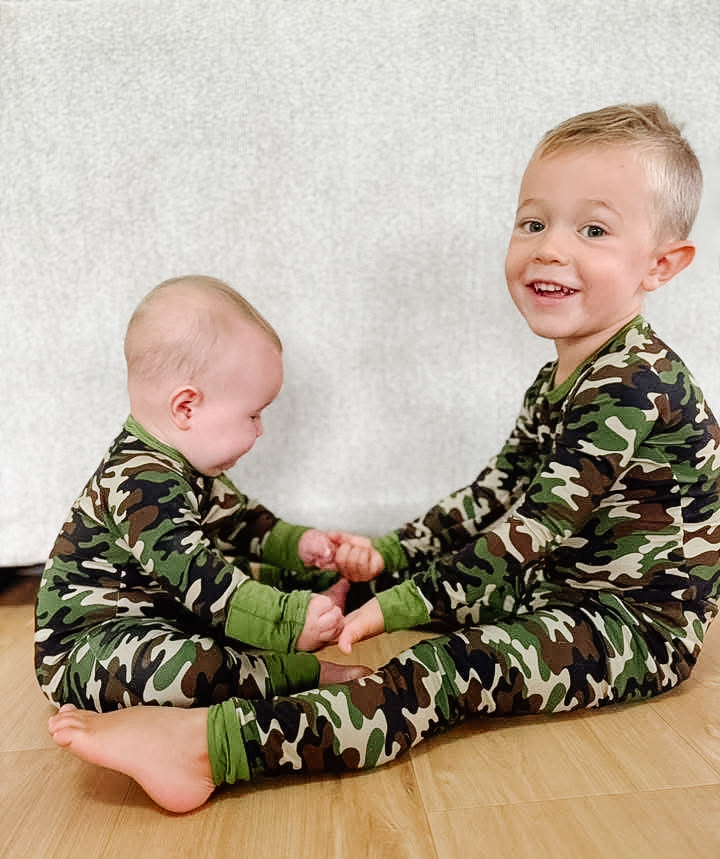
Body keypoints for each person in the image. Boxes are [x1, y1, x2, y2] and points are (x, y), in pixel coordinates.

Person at [47, 104, 720, 815]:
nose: (550, 248)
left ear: (662, 264)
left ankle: (210, 747)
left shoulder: (633, 387)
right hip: (555, 586)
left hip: (627, 625)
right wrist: (386, 558)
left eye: (592, 229)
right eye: (533, 223)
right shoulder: (564, 376)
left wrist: (398, 604)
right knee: (345, 587)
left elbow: (526, 534)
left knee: (444, 670)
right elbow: (491, 495)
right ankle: (270, 640)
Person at [35, 275, 378, 713]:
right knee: (186, 665)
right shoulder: (140, 482)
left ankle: (301, 613)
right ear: (186, 407)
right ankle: (289, 672)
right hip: (92, 651)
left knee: (252, 580)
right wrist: (287, 621)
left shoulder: (188, 462)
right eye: (252, 414)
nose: (260, 429)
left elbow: (243, 521)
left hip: (162, 614)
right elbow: (200, 579)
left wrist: (301, 545)